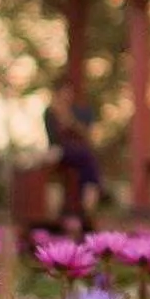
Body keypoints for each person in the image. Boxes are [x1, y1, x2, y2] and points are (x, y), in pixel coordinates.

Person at [43, 86, 103, 216]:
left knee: (88, 163)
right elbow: (54, 139)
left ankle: (86, 205)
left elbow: (86, 136)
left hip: (76, 153)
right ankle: (84, 204)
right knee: (87, 158)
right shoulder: (50, 112)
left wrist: (70, 121)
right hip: (58, 151)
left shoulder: (76, 112)